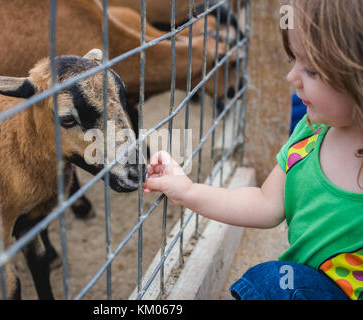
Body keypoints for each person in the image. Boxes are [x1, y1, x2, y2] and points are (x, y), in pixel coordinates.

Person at [143, 0, 363, 300]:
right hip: (309, 287)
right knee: (277, 280)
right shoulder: (308, 138)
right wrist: (187, 190)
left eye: (311, 70)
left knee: (272, 283)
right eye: (293, 61)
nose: (291, 77)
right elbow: (264, 203)